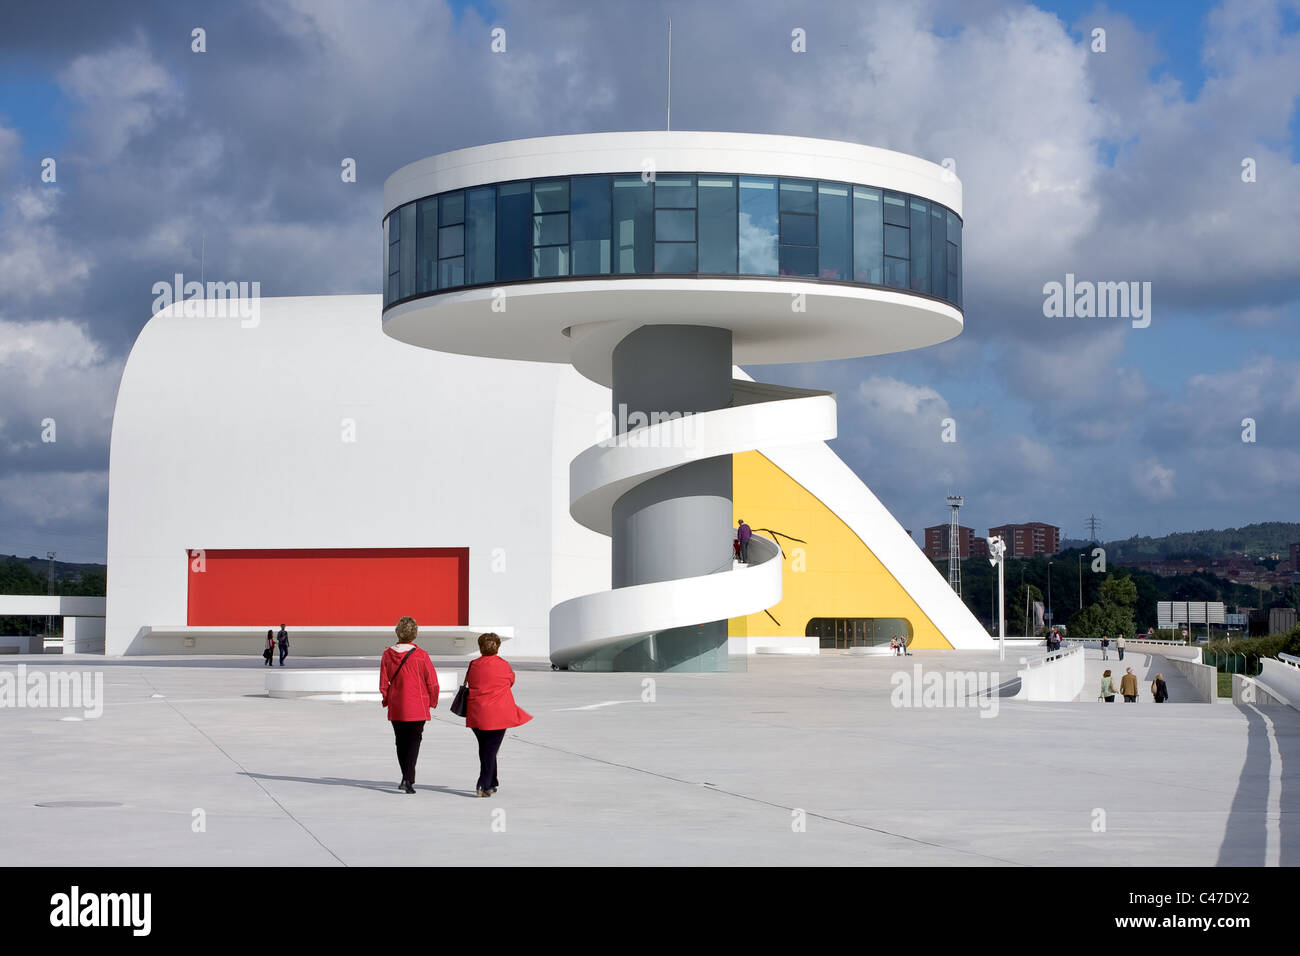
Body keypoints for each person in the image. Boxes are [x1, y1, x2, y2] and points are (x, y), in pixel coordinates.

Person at [464, 632, 532, 798]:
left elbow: (471, 682)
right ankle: (483, 783)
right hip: (498, 714)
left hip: (477, 713)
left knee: (486, 749)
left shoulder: (473, 664)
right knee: (489, 750)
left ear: (480, 647)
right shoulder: (503, 665)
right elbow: (511, 681)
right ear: (497, 647)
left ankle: (492, 782)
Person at [379, 616, 440, 794]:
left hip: (397, 705)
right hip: (417, 705)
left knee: (401, 742)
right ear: (415, 634)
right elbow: (433, 683)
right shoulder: (421, 656)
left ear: (398, 632)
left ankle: (406, 777)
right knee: (414, 742)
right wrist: (432, 701)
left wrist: (386, 699)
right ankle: (408, 778)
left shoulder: (387, 655)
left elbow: (383, 683)